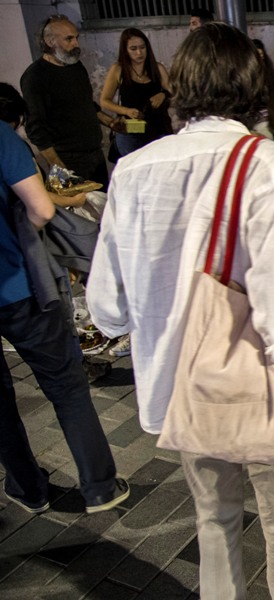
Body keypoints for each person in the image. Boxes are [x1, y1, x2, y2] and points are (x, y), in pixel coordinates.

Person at [87, 24, 274, 598]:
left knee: (213, 523)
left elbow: (108, 309)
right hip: (260, 377)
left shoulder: (132, 169)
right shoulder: (263, 161)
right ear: (250, 85)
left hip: (181, 386)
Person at [0, 82, 130, 516]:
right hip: (20, 287)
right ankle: (101, 487)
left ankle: (28, 489)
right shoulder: (2, 136)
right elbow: (40, 209)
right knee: (67, 387)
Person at [21, 15, 122, 189]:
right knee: (75, 214)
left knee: (101, 208)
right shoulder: (35, 77)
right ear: (50, 41)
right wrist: (60, 167)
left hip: (95, 155)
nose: (76, 43)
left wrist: (111, 122)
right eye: (69, 39)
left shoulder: (76, 66)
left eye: (76, 37)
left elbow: (86, 104)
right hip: (65, 159)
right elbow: (35, 128)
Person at [100, 28, 172, 158]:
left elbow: (174, 94)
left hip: (158, 128)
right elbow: (104, 100)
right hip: (131, 130)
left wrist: (164, 94)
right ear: (125, 50)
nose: (139, 53)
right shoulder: (118, 69)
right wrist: (126, 111)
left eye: (142, 47)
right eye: (133, 49)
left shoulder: (157, 68)